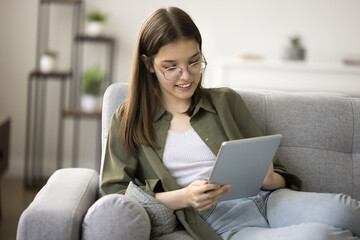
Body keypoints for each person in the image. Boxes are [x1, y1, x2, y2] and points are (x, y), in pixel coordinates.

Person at [101, 7, 360, 240]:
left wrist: (271, 180)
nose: (186, 76)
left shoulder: (225, 102)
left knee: (347, 210)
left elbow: (278, 173)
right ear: (148, 63)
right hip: (223, 222)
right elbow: (115, 195)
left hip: (270, 200)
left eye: (194, 62)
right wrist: (183, 197)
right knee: (321, 236)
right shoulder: (128, 121)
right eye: (171, 67)